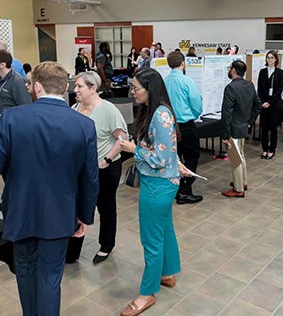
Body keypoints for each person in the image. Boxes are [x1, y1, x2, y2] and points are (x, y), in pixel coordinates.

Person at [0, 61, 99, 316]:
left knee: (25, 273)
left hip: (20, 211)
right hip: (60, 212)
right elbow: (89, 177)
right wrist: (85, 215)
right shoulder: (84, 125)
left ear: (38, 86)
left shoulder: (11, 118)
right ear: (65, 87)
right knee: (50, 279)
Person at [119, 68, 187, 316]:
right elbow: (166, 151)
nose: (133, 92)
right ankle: (166, 274)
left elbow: (159, 157)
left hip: (158, 184)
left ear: (151, 89)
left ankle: (146, 294)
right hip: (159, 182)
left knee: (151, 240)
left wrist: (133, 149)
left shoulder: (160, 115)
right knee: (164, 230)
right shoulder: (154, 111)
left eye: (137, 88)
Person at [73, 71, 127, 264]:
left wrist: (107, 160)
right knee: (77, 206)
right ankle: (73, 249)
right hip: (81, 169)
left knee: (105, 206)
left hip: (105, 168)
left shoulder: (108, 110)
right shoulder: (75, 108)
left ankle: (106, 245)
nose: (75, 89)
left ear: (93, 88)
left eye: (80, 86)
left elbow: (123, 139)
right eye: (76, 86)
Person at [164, 51, 203, 204]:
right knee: (192, 157)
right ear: (183, 63)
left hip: (169, 126)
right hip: (186, 125)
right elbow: (196, 103)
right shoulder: (187, 81)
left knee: (175, 159)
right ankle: (185, 191)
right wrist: (193, 114)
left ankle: (176, 189)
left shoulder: (164, 81)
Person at [221, 60, 262, 198]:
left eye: (229, 68)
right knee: (241, 156)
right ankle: (242, 182)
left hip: (234, 128)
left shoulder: (230, 88)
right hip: (243, 126)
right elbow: (258, 104)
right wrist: (250, 121)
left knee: (235, 160)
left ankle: (238, 189)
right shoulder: (249, 85)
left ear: (233, 70)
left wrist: (225, 134)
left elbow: (226, 113)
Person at [257, 50, 283, 159]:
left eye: (272, 57)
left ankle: (272, 149)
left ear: (276, 59)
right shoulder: (262, 72)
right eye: (268, 57)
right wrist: (263, 102)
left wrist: (270, 102)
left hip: (274, 104)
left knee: (273, 127)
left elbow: (279, 90)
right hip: (264, 104)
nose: (270, 59)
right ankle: (264, 149)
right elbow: (259, 89)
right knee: (263, 127)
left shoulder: (280, 72)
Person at [0, 49, 31, 115]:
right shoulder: (2, 79)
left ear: (2, 65)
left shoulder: (17, 81)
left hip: (10, 122)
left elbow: (25, 107)